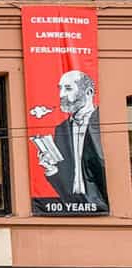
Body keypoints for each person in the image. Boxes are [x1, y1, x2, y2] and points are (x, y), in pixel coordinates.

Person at [36, 70, 107, 211]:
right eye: (60, 88)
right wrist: (51, 169)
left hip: (100, 203)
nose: (61, 95)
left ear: (88, 92)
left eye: (68, 88)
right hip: (72, 206)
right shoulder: (61, 129)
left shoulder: (104, 121)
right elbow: (65, 180)